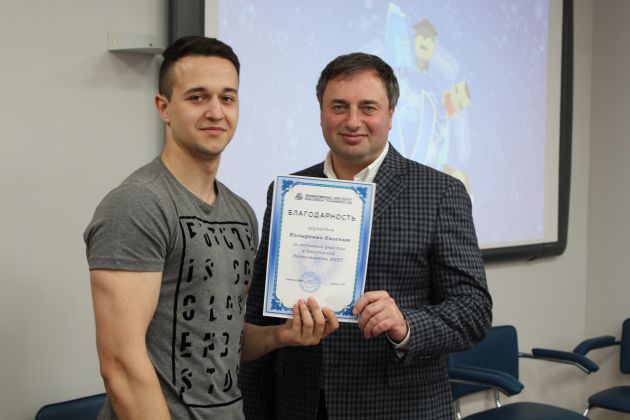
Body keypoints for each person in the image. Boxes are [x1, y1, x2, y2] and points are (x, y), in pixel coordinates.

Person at [84, 36, 338, 420]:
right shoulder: (138, 204)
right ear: (164, 108)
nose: (216, 112)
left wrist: (279, 335)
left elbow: (221, 340)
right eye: (198, 97)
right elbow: (121, 364)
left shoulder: (240, 213)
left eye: (227, 98)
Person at [240, 52, 492, 420]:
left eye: (368, 107)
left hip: (399, 409)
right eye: (339, 107)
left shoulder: (440, 193)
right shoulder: (289, 192)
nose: (352, 121)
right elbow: (259, 313)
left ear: (391, 114)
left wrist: (405, 324)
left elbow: (473, 310)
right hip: (299, 405)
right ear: (322, 113)